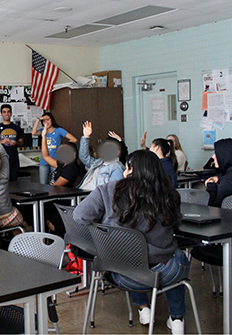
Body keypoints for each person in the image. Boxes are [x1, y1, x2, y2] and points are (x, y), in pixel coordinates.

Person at [74, 150, 189, 334]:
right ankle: (177, 320)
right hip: (166, 272)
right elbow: (177, 224)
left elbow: (79, 216)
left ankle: (143, 308)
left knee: (130, 255)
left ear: (129, 169)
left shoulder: (108, 190)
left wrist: (104, 227)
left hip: (123, 274)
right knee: (177, 256)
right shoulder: (169, 193)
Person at [32, 112, 77, 184]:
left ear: (52, 120)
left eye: (47, 119)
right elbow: (33, 133)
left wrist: (63, 147)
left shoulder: (58, 130)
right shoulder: (42, 131)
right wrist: (38, 119)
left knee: (56, 181)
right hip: (44, 161)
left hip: (56, 161)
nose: (46, 122)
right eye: (44, 120)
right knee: (43, 184)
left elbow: (74, 139)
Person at [78, 121, 124, 190]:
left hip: (94, 197)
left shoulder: (117, 167)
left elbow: (112, 191)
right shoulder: (99, 162)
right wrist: (86, 137)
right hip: (81, 193)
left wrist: (120, 142)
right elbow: (84, 157)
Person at [0, 104, 24, 181]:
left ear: (11, 113)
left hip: (14, 159)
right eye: (4, 112)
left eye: (8, 112)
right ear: (1, 114)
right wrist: (1, 142)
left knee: (14, 181)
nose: (6, 114)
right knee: (2, 180)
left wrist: (16, 143)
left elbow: (21, 143)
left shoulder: (16, 128)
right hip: (0, 159)